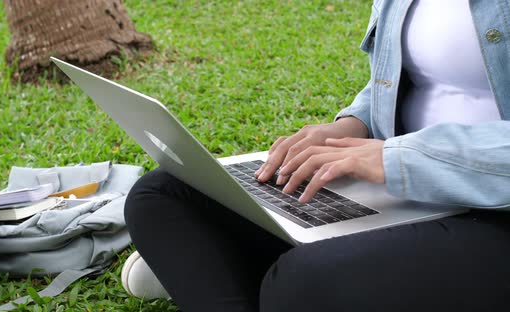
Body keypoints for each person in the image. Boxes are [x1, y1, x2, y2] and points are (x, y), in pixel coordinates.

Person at [122, 0, 510, 311]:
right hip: (401, 188)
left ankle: (228, 267)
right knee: (165, 194)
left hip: (491, 209)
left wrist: (400, 158)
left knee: (303, 282)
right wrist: (355, 123)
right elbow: (423, 77)